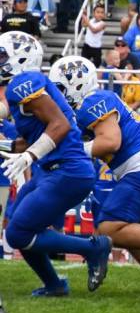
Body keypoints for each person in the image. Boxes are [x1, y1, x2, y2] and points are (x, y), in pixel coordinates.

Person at [51, 54, 140, 290]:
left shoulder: (92, 100)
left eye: (59, 88)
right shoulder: (93, 102)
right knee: (129, 231)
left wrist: (74, 151)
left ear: (76, 83)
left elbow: (110, 142)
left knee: (109, 227)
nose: (57, 95)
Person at [0, 32, 111, 296]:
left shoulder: (23, 83)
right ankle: (54, 285)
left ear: (21, 58)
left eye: (3, 56)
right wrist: (20, 151)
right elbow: (27, 139)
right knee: (18, 226)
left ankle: (94, 248)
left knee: (18, 234)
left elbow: (59, 125)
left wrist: (30, 156)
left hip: (67, 169)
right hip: (52, 169)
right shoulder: (22, 87)